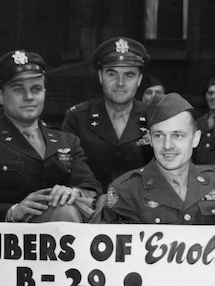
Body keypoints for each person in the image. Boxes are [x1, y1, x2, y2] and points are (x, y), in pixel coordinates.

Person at [0, 49, 102, 222]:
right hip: (5, 241)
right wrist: (12, 211)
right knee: (63, 212)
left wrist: (72, 192)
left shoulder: (65, 141)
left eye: (36, 89)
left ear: (44, 93)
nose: (29, 97)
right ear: (0, 96)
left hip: (64, 234)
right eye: (19, 89)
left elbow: (91, 188)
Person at [94, 92, 215, 225]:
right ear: (149, 139)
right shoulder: (126, 190)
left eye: (177, 136)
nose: (167, 145)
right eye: (159, 136)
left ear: (195, 139)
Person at [62, 37, 153, 189]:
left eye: (129, 75)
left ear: (139, 79)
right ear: (100, 76)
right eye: (112, 74)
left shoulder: (154, 117)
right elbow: (69, 172)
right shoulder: (78, 118)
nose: (120, 82)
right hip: (92, 204)